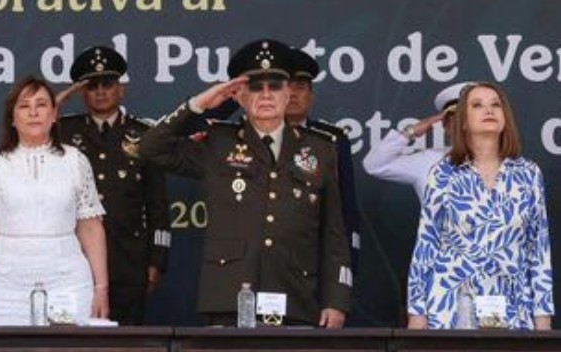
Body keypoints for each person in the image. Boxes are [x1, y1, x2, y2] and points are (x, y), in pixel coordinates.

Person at [136, 39, 351, 328]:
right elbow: (150, 148)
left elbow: (334, 234)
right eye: (255, 87)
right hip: (229, 297)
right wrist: (199, 104)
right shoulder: (218, 142)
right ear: (238, 95)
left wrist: (336, 301)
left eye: (275, 86)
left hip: (296, 296)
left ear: (289, 93)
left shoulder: (320, 150)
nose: (265, 95)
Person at [0, 76, 109, 326]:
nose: (33, 113)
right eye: (24, 106)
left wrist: (101, 287)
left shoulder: (75, 160)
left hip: (67, 279)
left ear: (53, 115)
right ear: (12, 118)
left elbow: (91, 226)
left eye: (41, 105)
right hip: (4, 282)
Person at [407, 83, 553, 330]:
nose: (489, 110)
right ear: (463, 121)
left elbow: (538, 249)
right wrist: (417, 313)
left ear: (505, 117)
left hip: (512, 305)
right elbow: (426, 245)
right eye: (477, 105)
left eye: (496, 105)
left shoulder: (528, 173)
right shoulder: (443, 173)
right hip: (452, 304)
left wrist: (543, 318)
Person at [55, 46, 170, 325]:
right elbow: (20, 128)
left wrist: (157, 260)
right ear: (82, 92)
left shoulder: (143, 135)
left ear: (122, 89)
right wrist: (58, 101)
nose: (101, 91)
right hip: (75, 259)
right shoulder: (64, 132)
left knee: (128, 349)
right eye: (92, 85)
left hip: (128, 260)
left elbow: (158, 205)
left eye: (108, 83)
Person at [285, 49, 361, 271]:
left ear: (311, 95)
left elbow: (346, 203)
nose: (292, 95)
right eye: (285, 87)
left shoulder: (331, 139)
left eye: (299, 88)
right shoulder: (250, 135)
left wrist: (348, 259)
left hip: (316, 257)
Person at [363, 82, 470, 200]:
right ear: (446, 127)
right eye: (459, 121)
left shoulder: (494, 160)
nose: (466, 126)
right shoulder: (431, 160)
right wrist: (410, 132)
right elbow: (374, 165)